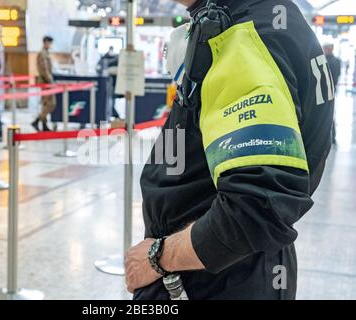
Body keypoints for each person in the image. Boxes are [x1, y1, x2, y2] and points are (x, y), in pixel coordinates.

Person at [125, 0, 334, 300]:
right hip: (228, 268)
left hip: (212, 278)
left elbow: (257, 206)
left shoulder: (241, 32)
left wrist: (158, 256)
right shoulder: (253, 17)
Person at [31, 36, 57, 132]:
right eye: (49, 43)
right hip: (45, 83)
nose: (50, 45)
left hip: (47, 82)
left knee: (46, 104)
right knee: (50, 104)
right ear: (45, 42)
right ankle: (38, 121)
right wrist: (51, 82)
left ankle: (43, 124)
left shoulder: (46, 53)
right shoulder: (42, 54)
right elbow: (44, 70)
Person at [323, 43, 341, 144]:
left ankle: (331, 137)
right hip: (331, 91)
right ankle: (332, 136)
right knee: (329, 114)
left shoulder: (328, 61)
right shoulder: (336, 61)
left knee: (328, 114)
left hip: (327, 92)